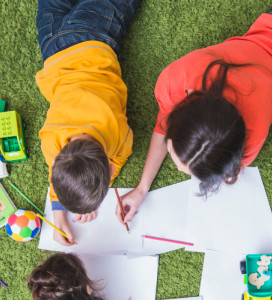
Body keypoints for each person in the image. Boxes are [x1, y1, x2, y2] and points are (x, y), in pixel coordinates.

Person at [116, 9, 272, 224]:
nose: (179, 169)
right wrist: (142, 188)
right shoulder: (178, 79)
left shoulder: (252, 138)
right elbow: (164, 128)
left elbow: (164, 128)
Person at [35, 0, 141, 245]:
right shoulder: (51, 141)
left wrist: (100, 185)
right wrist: (58, 212)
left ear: (111, 170)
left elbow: (118, 158)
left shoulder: (119, 135)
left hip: (94, 39)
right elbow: (55, 173)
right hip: (52, 46)